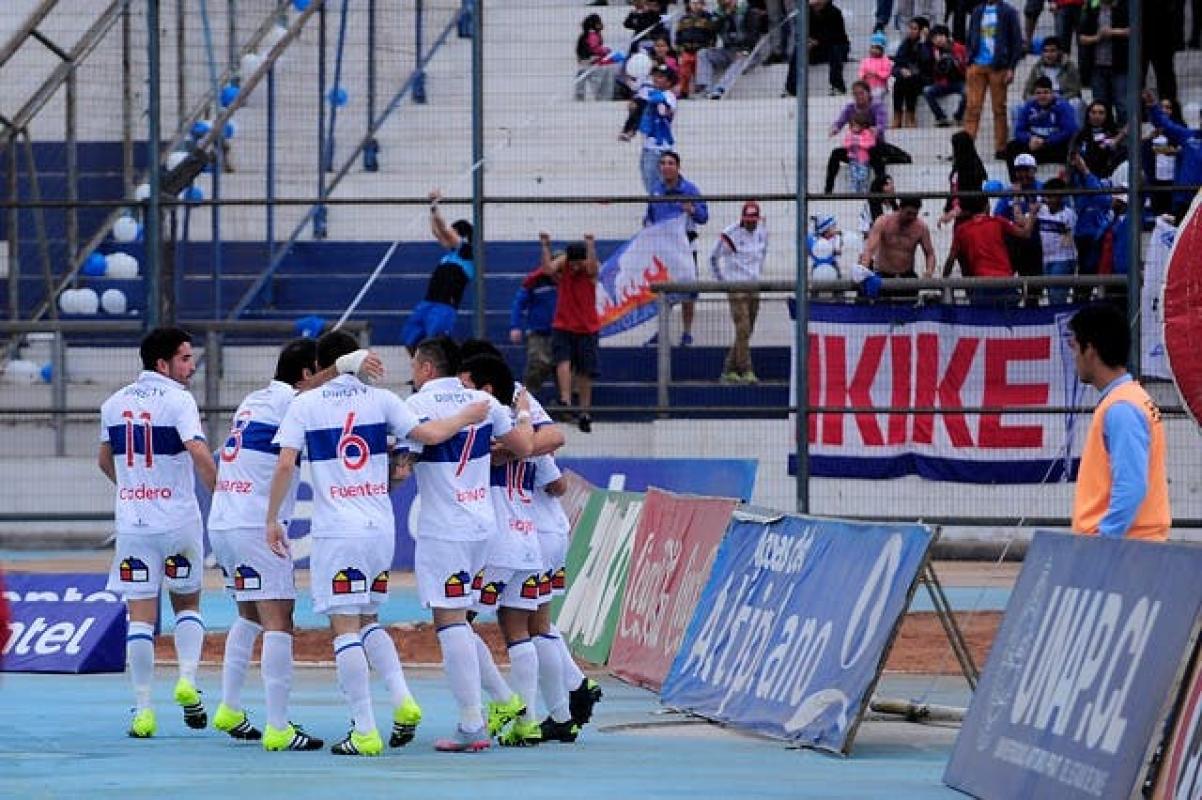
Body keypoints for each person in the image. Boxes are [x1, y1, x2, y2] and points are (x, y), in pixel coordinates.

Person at [265, 331, 491, 756]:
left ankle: (365, 730)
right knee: (369, 618)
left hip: (338, 531)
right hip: (380, 527)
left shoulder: (305, 404)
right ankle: (403, 700)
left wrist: (272, 519)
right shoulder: (383, 399)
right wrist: (466, 415)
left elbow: (284, 465)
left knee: (345, 629)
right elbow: (428, 435)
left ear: (323, 363)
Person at [208, 339, 383, 752]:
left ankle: (230, 707)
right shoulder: (294, 400)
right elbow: (313, 402)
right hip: (255, 524)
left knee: (248, 614)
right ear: (307, 374)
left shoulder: (253, 400)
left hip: (223, 519)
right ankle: (278, 726)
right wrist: (345, 365)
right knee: (278, 621)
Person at [391, 336, 535, 752]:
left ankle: (472, 723)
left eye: (415, 366)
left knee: (450, 621)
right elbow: (524, 447)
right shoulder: (484, 402)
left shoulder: (417, 405)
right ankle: (504, 699)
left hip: (445, 528)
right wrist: (524, 412)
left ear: (427, 368)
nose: (414, 374)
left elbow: (401, 471)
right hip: (482, 525)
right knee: (459, 619)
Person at [99, 326, 216, 739]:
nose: (192, 365)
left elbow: (103, 460)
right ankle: (187, 680)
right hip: (178, 521)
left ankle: (144, 708)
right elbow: (198, 450)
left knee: (140, 618)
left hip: (134, 526)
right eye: (185, 358)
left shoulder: (113, 403)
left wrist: (132, 489)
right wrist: (220, 494)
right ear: (163, 364)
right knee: (188, 604)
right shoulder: (179, 400)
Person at [1068, 303, 1171, 540]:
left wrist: (1105, 540)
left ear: (1090, 350)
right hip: (1132, 546)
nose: (1075, 358)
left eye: (1075, 348)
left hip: (1123, 549)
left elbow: (1132, 486)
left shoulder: (1121, 408)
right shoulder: (1131, 399)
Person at [644, 150, 709, 347]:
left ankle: (687, 333)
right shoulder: (656, 191)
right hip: (664, 250)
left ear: (678, 167)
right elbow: (649, 217)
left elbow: (704, 217)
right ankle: (661, 332)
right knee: (664, 292)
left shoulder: (690, 189)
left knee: (688, 291)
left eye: (670, 163)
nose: (666, 166)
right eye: (663, 163)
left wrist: (692, 210)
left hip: (685, 248)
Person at [402, 190, 474, 355]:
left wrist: (435, 206)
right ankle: (419, 368)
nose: (447, 237)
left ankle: (445, 368)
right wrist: (432, 208)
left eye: (453, 231)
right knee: (410, 339)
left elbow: (443, 230)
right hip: (428, 302)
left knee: (436, 344)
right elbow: (437, 231)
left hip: (444, 306)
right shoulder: (450, 255)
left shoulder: (468, 252)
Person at [545, 232, 601, 433]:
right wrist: (545, 247)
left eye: (579, 263)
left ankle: (585, 412)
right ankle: (566, 399)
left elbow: (593, 268)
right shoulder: (565, 267)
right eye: (573, 263)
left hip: (586, 328)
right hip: (564, 325)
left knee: (585, 371)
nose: (576, 267)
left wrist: (590, 246)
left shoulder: (590, 270)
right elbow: (548, 269)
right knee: (563, 361)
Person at [710, 200, 768, 383]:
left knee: (747, 329)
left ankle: (729, 368)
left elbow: (763, 254)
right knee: (742, 327)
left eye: (754, 221)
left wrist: (758, 274)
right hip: (736, 286)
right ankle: (746, 370)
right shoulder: (731, 233)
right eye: (748, 221)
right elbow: (713, 258)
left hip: (754, 285)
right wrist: (723, 282)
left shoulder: (763, 231)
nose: (751, 224)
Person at [943, 192, 1034, 304]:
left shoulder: (962, 230)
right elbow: (1025, 233)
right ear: (987, 206)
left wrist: (943, 280)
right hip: (1005, 280)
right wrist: (1033, 213)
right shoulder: (998, 222)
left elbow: (951, 259)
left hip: (981, 282)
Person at [963, 0, 1024, 161]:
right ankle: (967, 146)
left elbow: (1016, 41)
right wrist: (969, 58)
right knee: (972, 107)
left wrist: (1011, 67)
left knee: (999, 108)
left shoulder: (1008, 11)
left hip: (999, 66)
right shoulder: (977, 11)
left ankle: (1001, 148)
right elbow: (970, 35)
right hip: (977, 64)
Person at [824, 81, 888, 194]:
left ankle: (881, 187)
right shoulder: (850, 108)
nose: (858, 96)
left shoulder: (877, 106)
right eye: (855, 94)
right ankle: (828, 189)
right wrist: (835, 128)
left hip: (872, 145)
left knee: (876, 154)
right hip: (855, 149)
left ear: (868, 93)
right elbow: (840, 122)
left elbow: (881, 125)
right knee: (836, 153)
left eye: (861, 93)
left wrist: (876, 130)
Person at [1005, 76, 1079, 172]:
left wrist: (1046, 141)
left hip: (1054, 147)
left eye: (1046, 92)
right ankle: (1016, 180)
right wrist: (1029, 139)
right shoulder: (1029, 106)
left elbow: (1069, 130)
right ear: (1034, 94)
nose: (1042, 96)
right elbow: (1018, 131)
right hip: (1034, 146)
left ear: (1052, 93)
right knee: (1011, 147)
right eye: (1038, 93)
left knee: (1072, 147)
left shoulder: (1063, 106)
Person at [509, 262, 558, 399]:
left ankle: (564, 403)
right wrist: (515, 326)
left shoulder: (566, 282)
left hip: (561, 333)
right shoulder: (534, 282)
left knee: (563, 368)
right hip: (537, 333)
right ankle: (526, 398)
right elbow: (518, 304)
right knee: (537, 364)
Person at [859, 195, 938, 278]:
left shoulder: (921, 228)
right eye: (908, 213)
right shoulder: (883, 222)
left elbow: (930, 253)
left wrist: (929, 271)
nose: (911, 217)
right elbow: (870, 249)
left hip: (907, 273)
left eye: (915, 214)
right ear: (900, 209)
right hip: (883, 273)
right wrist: (864, 268)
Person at [1077, 0, 1129, 125]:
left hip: (1119, 66)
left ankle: (1124, 133)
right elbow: (1082, 38)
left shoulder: (1123, 9)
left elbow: (1133, 30)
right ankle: (1105, 131)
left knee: (1122, 104)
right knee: (1101, 104)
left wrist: (1112, 32)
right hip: (1097, 67)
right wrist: (1097, 37)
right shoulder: (1092, 11)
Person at [787, 0, 849, 97]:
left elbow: (836, 36)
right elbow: (799, 33)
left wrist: (817, 41)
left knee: (835, 49)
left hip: (832, 47)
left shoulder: (834, 12)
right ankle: (791, 90)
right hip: (813, 49)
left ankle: (838, 87)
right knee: (798, 50)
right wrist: (806, 41)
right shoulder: (805, 13)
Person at [1016, 37, 1083, 123]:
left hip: (1062, 99)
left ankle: (1077, 131)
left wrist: (1057, 98)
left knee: (1076, 103)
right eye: (1046, 51)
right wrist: (1037, 98)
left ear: (1059, 52)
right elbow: (1027, 92)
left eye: (1052, 51)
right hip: (1041, 98)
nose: (1049, 54)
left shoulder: (1069, 66)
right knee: (1017, 107)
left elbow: (1075, 91)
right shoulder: (1037, 67)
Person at [1034, 177, 1077, 304]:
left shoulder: (1069, 214)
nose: (1047, 200)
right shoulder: (1041, 211)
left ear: (1060, 197)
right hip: (1046, 259)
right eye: (1046, 196)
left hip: (1063, 259)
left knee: (1057, 298)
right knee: (1049, 295)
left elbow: (1068, 241)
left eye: (1051, 196)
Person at [636, 65, 678, 194]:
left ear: (669, 82)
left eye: (660, 77)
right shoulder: (650, 93)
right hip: (648, 146)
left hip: (659, 148)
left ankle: (660, 204)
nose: (655, 79)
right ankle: (657, 203)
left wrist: (646, 94)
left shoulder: (668, 95)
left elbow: (663, 107)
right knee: (648, 179)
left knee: (656, 182)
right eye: (655, 76)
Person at [938, 130, 988, 229]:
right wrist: (948, 210)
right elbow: (953, 190)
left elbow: (973, 197)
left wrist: (954, 213)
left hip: (973, 216)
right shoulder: (957, 165)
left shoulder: (974, 167)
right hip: (960, 216)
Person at [891, 16, 932, 129]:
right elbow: (896, 65)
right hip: (907, 77)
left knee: (911, 80)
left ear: (923, 30)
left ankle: (910, 115)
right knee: (899, 81)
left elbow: (926, 59)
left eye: (914, 29)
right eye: (910, 28)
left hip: (923, 77)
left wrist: (923, 41)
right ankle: (897, 115)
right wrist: (901, 70)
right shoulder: (905, 44)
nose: (911, 31)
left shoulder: (928, 44)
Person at [1069, 100, 1125, 180]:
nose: (1097, 116)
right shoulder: (1080, 135)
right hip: (1084, 177)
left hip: (1108, 178)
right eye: (1093, 112)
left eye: (1101, 113)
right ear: (1088, 114)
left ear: (1107, 115)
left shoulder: (1115, 135)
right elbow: (1073, 155)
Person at [923, 23, 966, 127]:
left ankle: (958, 117)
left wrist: (958, 63)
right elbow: (933, 71)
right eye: (934, 38)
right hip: (944, 82)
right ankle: (941, 118)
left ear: (946, 36)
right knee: (927, 91)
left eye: (940, 36)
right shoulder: (934, 51)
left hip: (960, 81)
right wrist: (937, 62)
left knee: (967, 93)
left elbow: (967, 66)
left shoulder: (959, 48)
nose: (938, 40)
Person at [675, 0, 718, 98]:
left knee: (698, 72)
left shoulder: (708, 18)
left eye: (697, 3)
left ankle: (700, 91)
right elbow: (678, 35)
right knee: (684, 72)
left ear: (702, 4)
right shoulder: (684, 19)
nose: (695, 5)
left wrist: (711, 46)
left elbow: (712, 34)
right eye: (693, 3)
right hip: (686, 50)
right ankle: (683, 92)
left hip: (701, 50)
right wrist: (679, 50)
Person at [575, 13, 619, 101]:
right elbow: (595, 49)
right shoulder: (593, 35)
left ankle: (580, 95)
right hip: (591, 62)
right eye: (599, 22)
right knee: (602, 78)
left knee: (581, 77)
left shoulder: (585, 34)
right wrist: (606, 50)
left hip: (584, 62)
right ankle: (603, 96)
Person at [858, 173, 899, 238]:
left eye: (892, 183)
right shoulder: (868, 206)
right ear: (880, 187)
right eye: (887, 184)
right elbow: (864, 229)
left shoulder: (895, 207)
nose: (892, 187)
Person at [858, 31, 894, 104]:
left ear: (882, 50)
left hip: (880, 86)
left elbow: (887, 73)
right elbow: (861, 71)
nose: (874, 50)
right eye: (872, 48)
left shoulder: (885, 61)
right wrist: (863, 75)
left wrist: (876, 73)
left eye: (877, 48)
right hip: (867, 86)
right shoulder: (866, 60)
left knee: (876, 98)